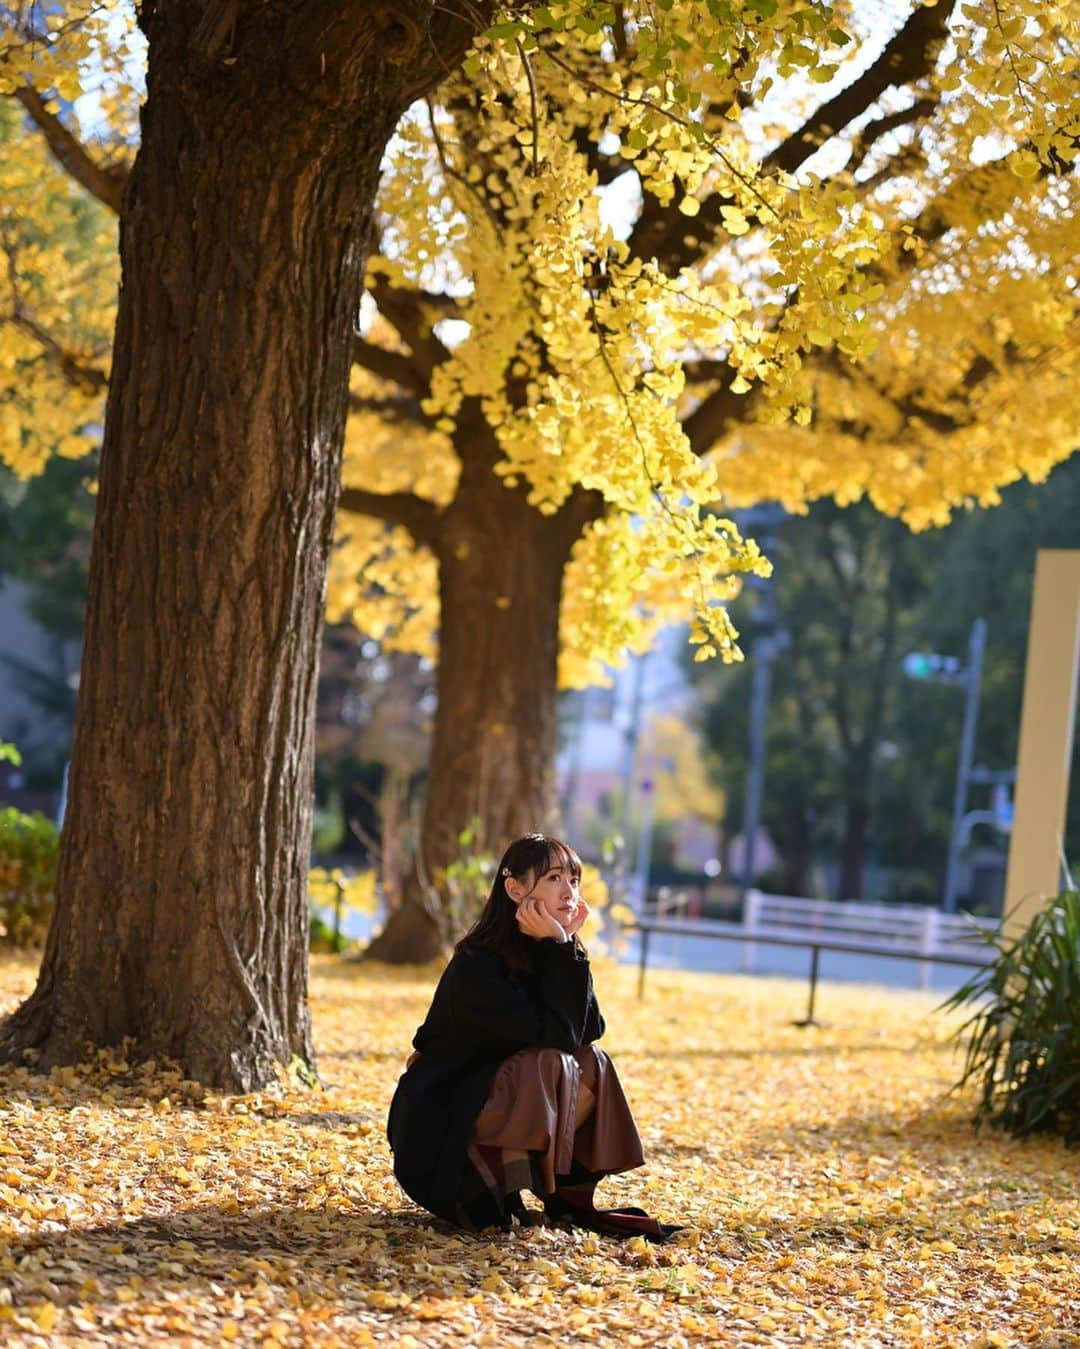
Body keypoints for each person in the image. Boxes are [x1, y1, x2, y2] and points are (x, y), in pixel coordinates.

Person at [387, 832, 679, 1241]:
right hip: (445, 1136)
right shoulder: (478, 962)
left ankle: (570, 1194)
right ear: (515, 888)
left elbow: (588, 1030)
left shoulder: (548, 950)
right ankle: (498, 1186)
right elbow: (557, 1038)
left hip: (495, 1105)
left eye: (573, 881)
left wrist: (567, 947)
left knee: (592, 1060)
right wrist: (560, 948)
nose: (569, 892)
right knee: (550, 1061)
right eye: (555, 878)